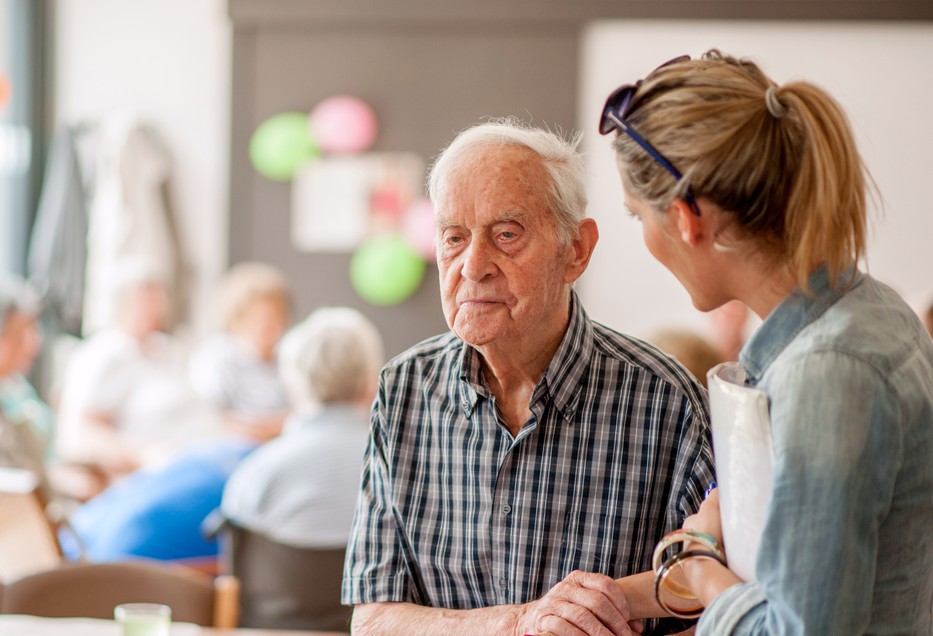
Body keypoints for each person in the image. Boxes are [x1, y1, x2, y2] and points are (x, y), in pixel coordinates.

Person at [601, 50, 933, 634]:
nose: (646, 237)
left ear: (686, 219)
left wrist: (700, 568)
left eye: (638, 218)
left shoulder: (828, 372)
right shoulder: (868, 311)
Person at [342, 120, 715, 636]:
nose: (473, 266)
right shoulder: (404, 389)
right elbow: (374, 617)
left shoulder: (667, 402)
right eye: (454, 238)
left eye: (506, 235)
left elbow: (716, 602)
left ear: (576, 250)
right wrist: (520, 624)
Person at [220, 307, 383, 630]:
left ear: (293, 384)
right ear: (370, 382)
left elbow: (232, 582)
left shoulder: (259, 471)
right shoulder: (402, 468)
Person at [56, 258, 223, 487]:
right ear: (123, 303)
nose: (156, 307)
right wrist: (145, 455)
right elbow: (79, 435)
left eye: (159, 297)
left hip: (206, 461)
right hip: (158, 478)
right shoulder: (104, 354)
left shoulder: (169, 349)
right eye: (146, 299)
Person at [188, 262, 292, 443]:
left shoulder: (288, 355)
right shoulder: (218, 356)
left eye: (280, 318)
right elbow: (207, 418)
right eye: (265, 321)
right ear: (237, 320)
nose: (276, 328)